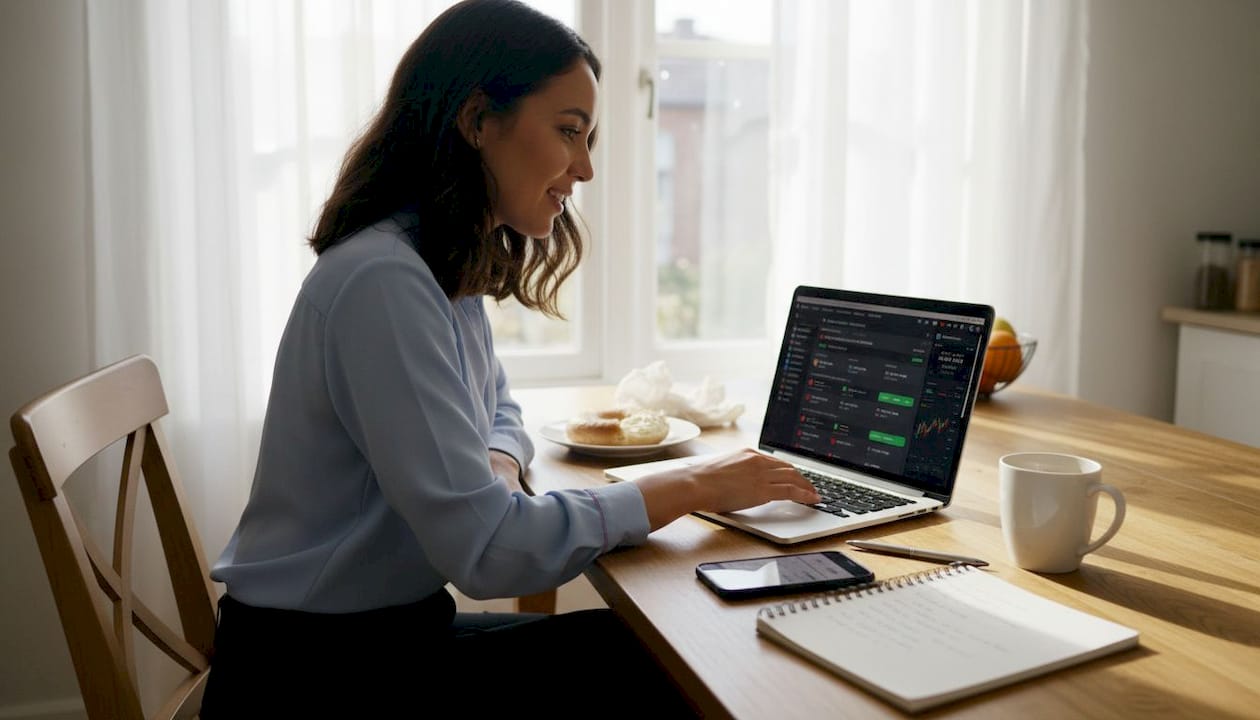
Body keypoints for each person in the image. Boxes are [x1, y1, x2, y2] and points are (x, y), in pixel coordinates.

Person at [202, 0, 819, 716]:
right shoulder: (384, 283)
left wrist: (496, 461)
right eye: (569, 132)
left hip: (375, 639)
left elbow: (499, 406)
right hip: (316, 675)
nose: (585, 168)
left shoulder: (438, 263)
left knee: (643, 657)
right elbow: (489, 553)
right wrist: (696, 484)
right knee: (664, 671)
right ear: (476, 122)